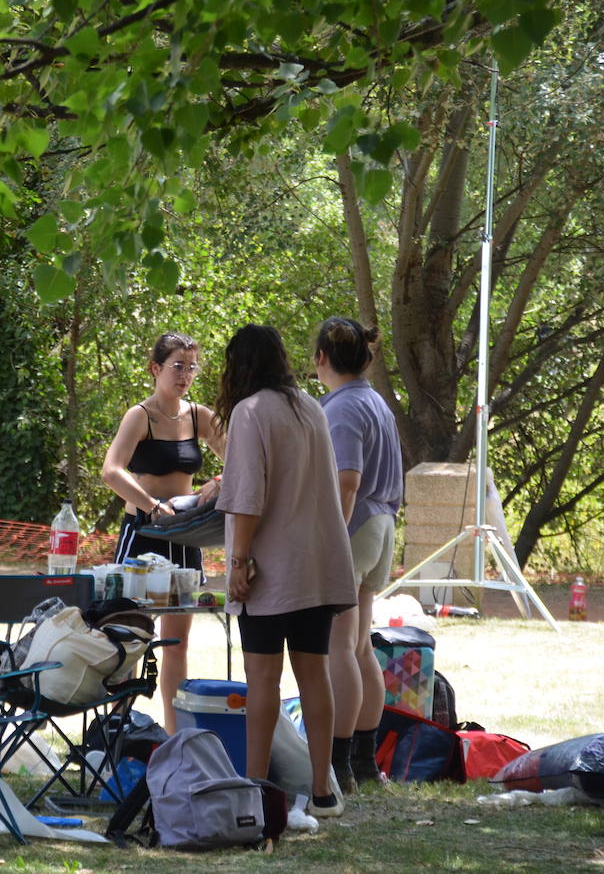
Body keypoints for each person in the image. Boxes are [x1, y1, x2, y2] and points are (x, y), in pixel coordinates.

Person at [212, 324, 356, 817]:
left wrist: (238, 561)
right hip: (318, 565)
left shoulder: (252, 412)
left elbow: (248, 497)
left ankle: (255, 787)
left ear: (240, 366)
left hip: (271, 569)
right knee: (314, 674)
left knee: (263, 680)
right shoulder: (311, 407)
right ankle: (322, 790)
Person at [101, 331, 225, 731]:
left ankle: (176, 736)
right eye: (177, 366)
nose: (185, 375)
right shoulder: (140, 415)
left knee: (177, 642)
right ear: (156, 368)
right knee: (129, 634)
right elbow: (112, 471)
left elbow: (245, 453)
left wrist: (220, 481)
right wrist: (152, 507)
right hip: (143, 534)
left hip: (186, 537)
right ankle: (117, 729)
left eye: (191, 367)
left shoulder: (199, 416)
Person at [314, 317, 405, 791]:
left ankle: (341, 764)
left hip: (356, 526)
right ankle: (365, 762)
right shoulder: (375, 402)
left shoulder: (344, 409)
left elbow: (346, 482)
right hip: (381, 525)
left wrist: (329, 537)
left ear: (320, 359)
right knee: (358, 645)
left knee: (338, 647)